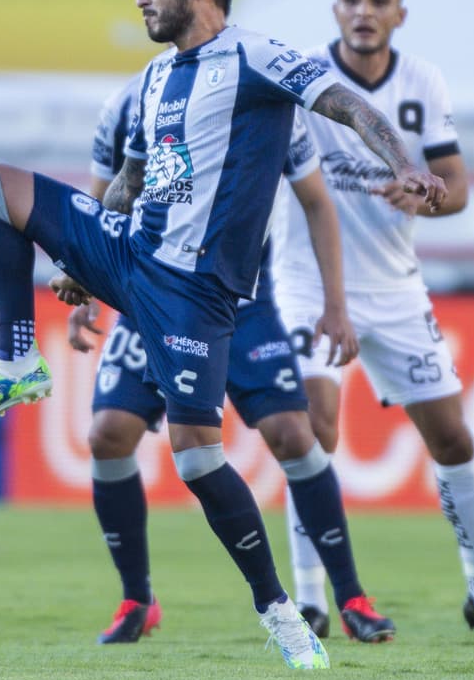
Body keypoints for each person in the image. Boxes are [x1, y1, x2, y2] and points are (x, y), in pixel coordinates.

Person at [0, 0, 444, 670]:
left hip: (196, 292)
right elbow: (131, 179)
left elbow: (347, 105)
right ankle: (17, 359)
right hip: (132, 253)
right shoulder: (153, 77)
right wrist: (83, 260)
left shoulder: (256, 57)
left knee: (198, 458)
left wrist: (405, 162)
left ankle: (280, 611)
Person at [273, 0, 474, 640]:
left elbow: (455, 188)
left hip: (396, 286)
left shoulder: (422, 81)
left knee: (453, 436)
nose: (364, 11)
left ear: (400, 14)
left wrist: (425, 195)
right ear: (336, 10)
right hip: (307, 280)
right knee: (315, 427)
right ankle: (310, 599)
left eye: (379, 1)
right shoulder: (305, 77)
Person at [61, 77, 395, 645]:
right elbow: (97, 202)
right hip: (153, 293)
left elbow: (317, 201)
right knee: (107, 433)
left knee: (294, 433)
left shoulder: (263, 97)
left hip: (239, 299)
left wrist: (335, 305)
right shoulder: (129, 102)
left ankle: (352, 598)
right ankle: (137, 599)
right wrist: (83, 284)